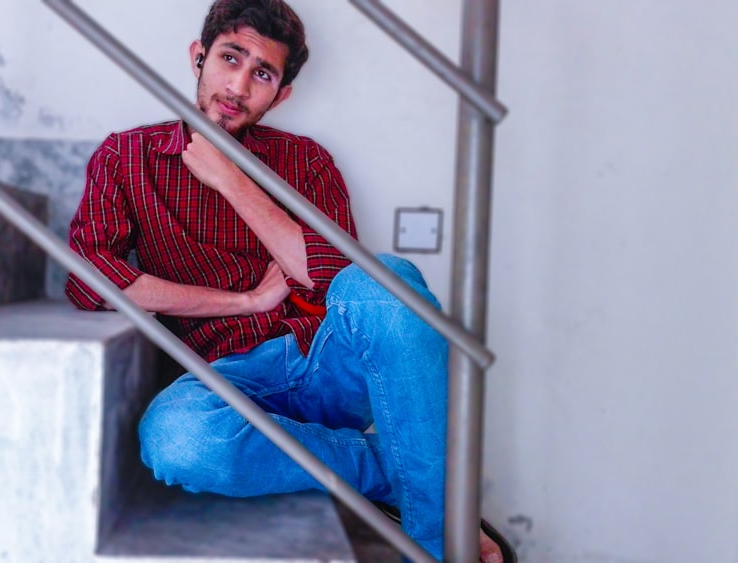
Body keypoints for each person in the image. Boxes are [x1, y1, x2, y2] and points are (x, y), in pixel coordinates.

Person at [64, 1, 506, 561]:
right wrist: (245, 300)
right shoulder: (127, 157)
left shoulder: (307, 162)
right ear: (198, 58)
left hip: (321, 363)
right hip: (222, 380)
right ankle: (400, 471)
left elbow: (332, 279)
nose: (239, 85)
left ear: (281, 94)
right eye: (230, 58)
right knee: (177, 441)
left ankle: (439, 544)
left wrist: (230, 178)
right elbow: (91, 279)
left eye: (263, 74)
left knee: (388, 279)